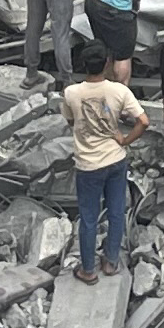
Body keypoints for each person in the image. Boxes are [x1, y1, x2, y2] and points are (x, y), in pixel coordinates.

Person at [61, 44, 145, 284]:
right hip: (116, 159)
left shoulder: (72, 93)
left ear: (83, 65)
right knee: (117, 211)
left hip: (88, 165)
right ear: (107, 62)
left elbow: (70, 121)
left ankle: (88, 269)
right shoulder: (119, 91)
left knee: (88, 217)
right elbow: (143, 120)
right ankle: (110, 261)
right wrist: (126, 139)